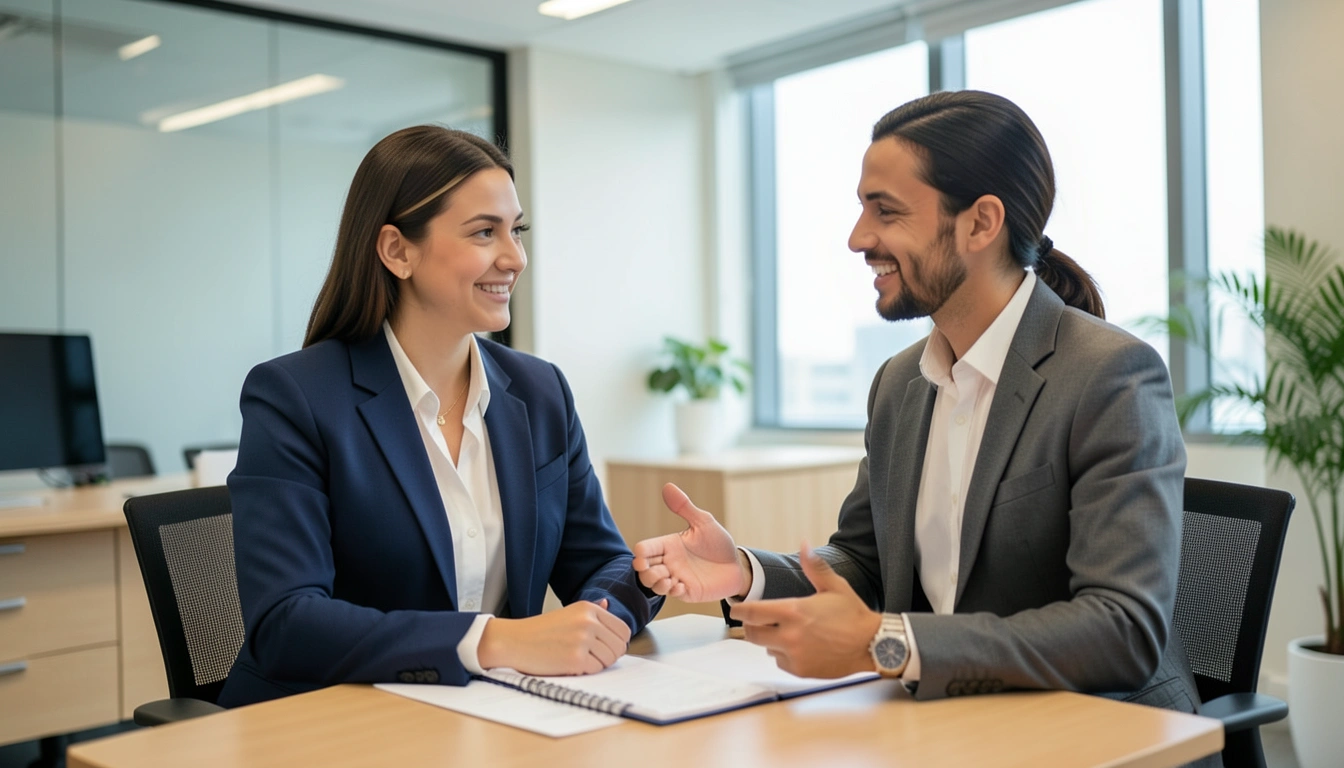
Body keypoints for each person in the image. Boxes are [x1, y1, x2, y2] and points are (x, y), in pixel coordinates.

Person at [633, 90, 1211, 739]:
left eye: (886, 212)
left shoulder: (1109, 376)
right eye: (862, 209)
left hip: (1100, 729)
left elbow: (1121, 630)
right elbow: (865, 562)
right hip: (958, 720)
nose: (858, 238)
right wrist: (748, 572)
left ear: (980, 224)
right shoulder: (900, 382)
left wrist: (886, 644)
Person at [218, 125, 660, 707]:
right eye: (485, 232)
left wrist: (622, 601)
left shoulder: (540, 390)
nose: (516, 258)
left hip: (495, 715)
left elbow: (600, 561)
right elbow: (287, 624)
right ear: (398, 250)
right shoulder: (294, 397)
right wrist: (496, 640)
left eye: (516, 231)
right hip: (333, 723)